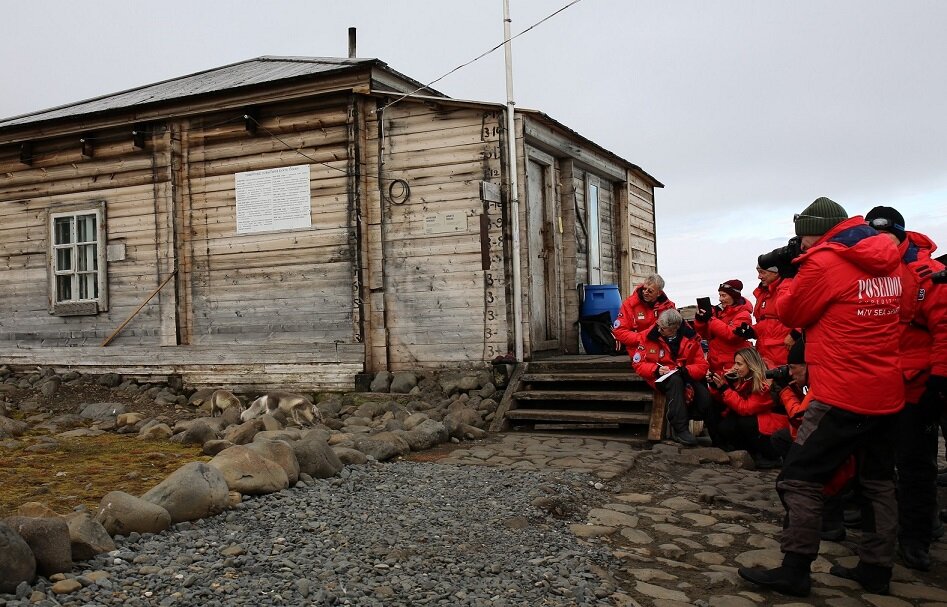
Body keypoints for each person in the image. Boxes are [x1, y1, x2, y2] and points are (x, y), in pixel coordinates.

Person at [738, 197, 904, 598]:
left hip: (841, 391)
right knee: (878, 480)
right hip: (886, 390)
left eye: (801, 236)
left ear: (813, 231)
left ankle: (795, 568)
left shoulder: (825, 262)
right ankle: (876, 568)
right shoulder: (891, 259)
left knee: (800, 478)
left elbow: (790, 311)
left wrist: (796, 268)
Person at [864, 205, 947, 571]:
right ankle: (900, 528)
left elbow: (944, 331)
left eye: (885, 237)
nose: (879, 244)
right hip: (884, 381)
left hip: (922, 385)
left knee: (917, 464)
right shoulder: (871, 272)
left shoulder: (930, 276)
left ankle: (918, 536)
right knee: (889, 461)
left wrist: (939, 382)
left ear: (900, 235)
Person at [632, 308, 711, 446]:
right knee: (675, 383)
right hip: (660, 376)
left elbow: (702, 365)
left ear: (675, 328)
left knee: (704, 396)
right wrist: (656, 369)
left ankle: (711, 431)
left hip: (685, 374)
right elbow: (638, 364)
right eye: (658, 326)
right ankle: (680, 429)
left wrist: (686, 370)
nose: (659, 330)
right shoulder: (649, 336)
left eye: (663, 329)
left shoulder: (691, 338)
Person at [708, 347, 788, 466]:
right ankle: (750, 451)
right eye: (735, 363)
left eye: (739, 364)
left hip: (776, 425)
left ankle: (772, 456)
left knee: (745, 422)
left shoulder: (765, 383)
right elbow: (731, 401)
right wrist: (718, 387)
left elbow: (745, 408)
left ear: (750, 365)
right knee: (727, 425)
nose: (735, 367)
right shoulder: (746, 377)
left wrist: (725, 388)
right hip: (762, 420)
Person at [738, 259, 796, 365]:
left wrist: (795, 334)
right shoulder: (764, 293)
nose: (759, 277)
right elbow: (768, 323)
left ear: (776, 272)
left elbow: (806, 313)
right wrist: (752, 331)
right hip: (765, 352)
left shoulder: (788, 288)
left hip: (783, 353)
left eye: (762, 272)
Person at [693, 279, 753, 375]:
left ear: (734, 297)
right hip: (715, 363)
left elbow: (731, 335)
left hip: (733, 364)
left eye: (724, 295)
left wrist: (711, 319)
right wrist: (700, 321)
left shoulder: (744, 315)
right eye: (720, 295)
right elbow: (704, 335)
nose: (720, 299)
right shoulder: (717, 312)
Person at [612, 274, 676, 354]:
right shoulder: (630, 305)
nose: (645, 292)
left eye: (650, 291)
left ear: (659, 293)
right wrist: (644, 337)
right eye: (644, 289)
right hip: (639, 350)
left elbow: (678, 328)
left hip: (664, 349)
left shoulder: (668, 307)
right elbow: (619, 331)